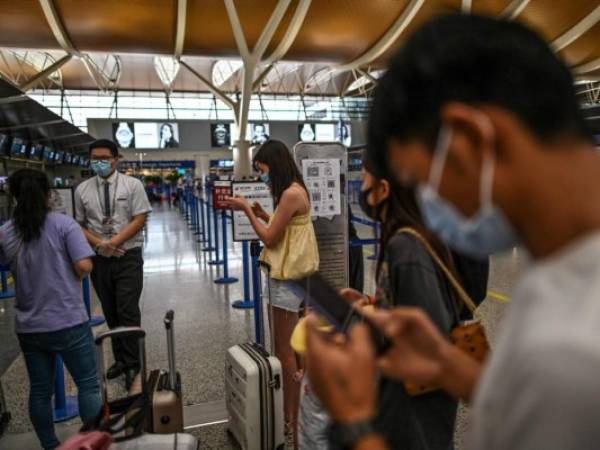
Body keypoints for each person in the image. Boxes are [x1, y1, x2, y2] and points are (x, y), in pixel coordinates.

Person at [305, 13, 600, 450]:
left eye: (419, 179)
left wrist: (354, 421)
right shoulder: (564, 269)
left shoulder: (566, 353)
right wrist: (446, 365)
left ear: (467, 140)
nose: (424, 201)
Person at [0, 169, 101, 450]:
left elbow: (6, 264)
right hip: (68, 320)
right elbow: (84, 266)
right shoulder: (64, 224)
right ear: (49, 194)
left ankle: (49, 445)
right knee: (88, 384)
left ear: (14, 196)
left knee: (40, 391)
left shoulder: (6, 231)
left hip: (29, 326)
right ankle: (91, 443)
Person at [226, 139, 319, 443]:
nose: (261, 174)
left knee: (285, 350)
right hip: (294, 279)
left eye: (262, 169)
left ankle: (290, 419)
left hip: (286, 280)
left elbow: (269, 239)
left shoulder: (291, 193)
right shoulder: (295, 190)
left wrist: (246, 212)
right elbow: (285, 230)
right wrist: (264, 214)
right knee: (294, 349)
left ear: (274, 164)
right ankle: (296, 412)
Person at [75, 139, 152, 389]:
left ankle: (134, 365)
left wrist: (114, 242)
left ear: (116, 159)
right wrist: (100, 244)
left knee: (127, 310)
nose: (100, 162)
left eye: (105, 158)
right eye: (95, 158)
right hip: (99, 258)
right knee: (110, 311)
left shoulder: (133, 185)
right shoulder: (82, 189)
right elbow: (80, 224)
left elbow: (139, 218)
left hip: (128, 256)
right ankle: (120, 359)